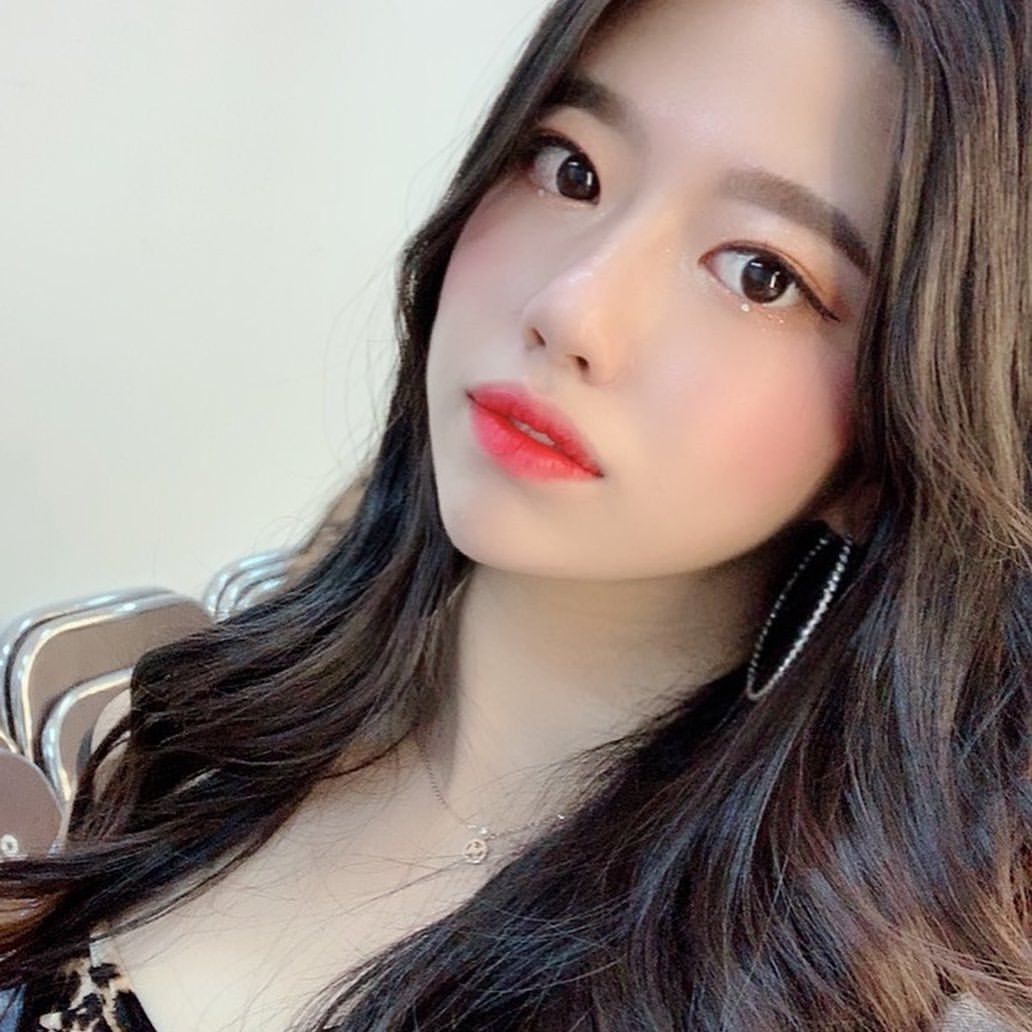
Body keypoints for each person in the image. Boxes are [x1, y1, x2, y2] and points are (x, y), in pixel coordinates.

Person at [1, 0, 1029, 1028]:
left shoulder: (861, 994)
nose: (573, 306)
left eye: (762, 276)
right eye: (569, 168)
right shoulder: (133, 722)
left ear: (895, 435)